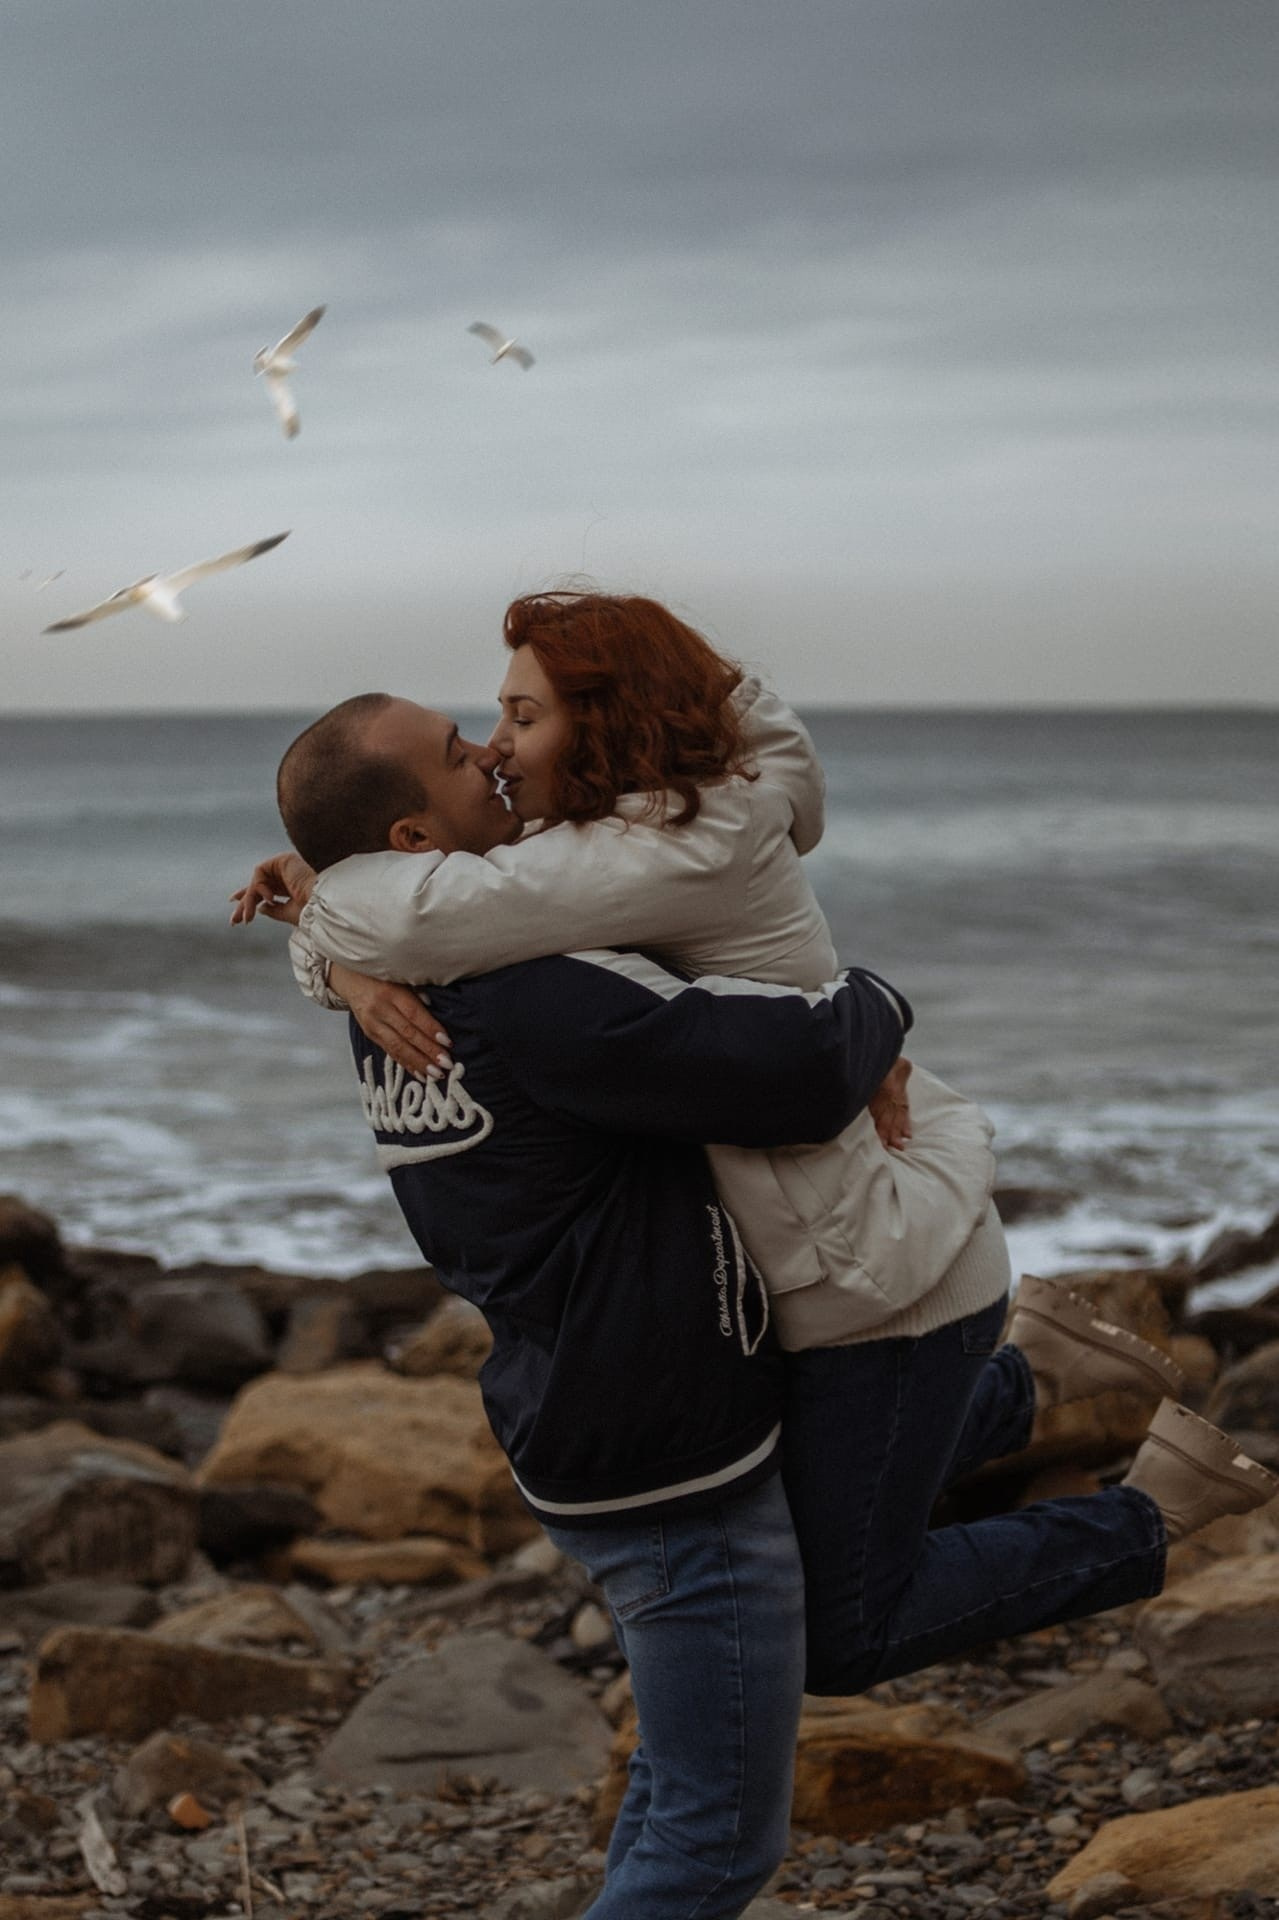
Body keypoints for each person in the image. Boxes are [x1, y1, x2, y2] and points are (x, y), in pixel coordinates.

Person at [238, 595, 1276, 1707]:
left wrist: (323, 927)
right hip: (825, 1230)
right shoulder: (615, 825)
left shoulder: (639, 854)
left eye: (519, 717)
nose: (494, 747)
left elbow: (418, 909)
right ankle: (1044, 1379)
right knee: (815, 1469)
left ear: (602, 724)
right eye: (485, 727)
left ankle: (1155, 1507)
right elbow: (426, 901)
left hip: (867, 1263)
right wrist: (335, 958)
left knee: (840, 1632)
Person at [251, 687, 913, 1919]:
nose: (489, 756)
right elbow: (805, 1070)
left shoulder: (401, 983)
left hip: (578, 1421)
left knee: (678, 1786)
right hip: (672, 1458)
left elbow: (354, 909)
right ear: (410, 844)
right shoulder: (527, 998)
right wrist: (877, 1001)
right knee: (715, 1844)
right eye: (458, 754)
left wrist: (328, 952)